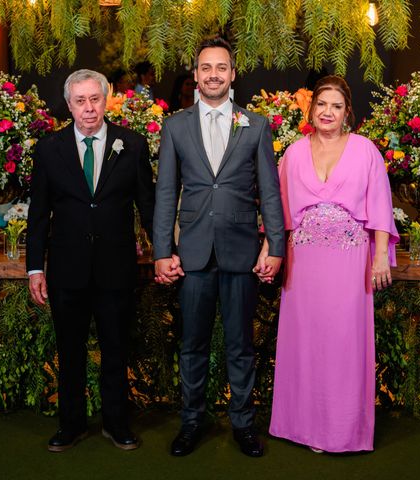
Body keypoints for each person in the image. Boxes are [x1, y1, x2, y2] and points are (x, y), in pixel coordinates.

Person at [153, 37, 285, 458]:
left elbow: (270, 192)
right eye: (206, 67)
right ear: (196, 74)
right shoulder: (175, 126)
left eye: (221, 67)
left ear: (232, 74)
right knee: (191, 343)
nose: (213, 74)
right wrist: (161, 250)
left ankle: (244, 425)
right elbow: (165, 193)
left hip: (242, 252)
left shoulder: (257, 124)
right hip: (191, 254)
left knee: (240, 345)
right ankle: (191, 422)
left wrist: (275, 245)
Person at [266, 75, 399, 453]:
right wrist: (270, 250)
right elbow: (278, 212)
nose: (328, 112)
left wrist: (378, 259)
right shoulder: (292, 153)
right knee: (306, 343)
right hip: (304, 263)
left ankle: (342, 431)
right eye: (322, 104)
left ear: (347, 113)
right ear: (312, 109)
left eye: (336, 106)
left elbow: (379, 207)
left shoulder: (365, 151)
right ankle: (302, 426)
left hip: (349, 263)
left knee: (344, 345)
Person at [26, 69, 155, 453]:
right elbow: (38, 215)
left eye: (95, 99)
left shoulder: (131, 145)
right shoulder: (49, 149)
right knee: (70, 351)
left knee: (116, 349)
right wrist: (35, 267)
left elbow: (147, 207)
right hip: (67, 270)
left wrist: (165, 251)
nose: (88, 108)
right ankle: (71, 425)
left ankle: (116, 424)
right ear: (69, 105)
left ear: (106, 99)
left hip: (116, 269)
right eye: (80, 101)